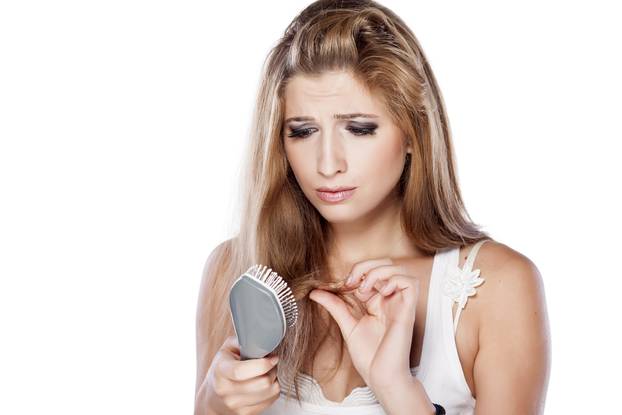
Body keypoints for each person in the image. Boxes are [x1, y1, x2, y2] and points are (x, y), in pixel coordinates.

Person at [194, 1, 551, 414]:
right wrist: (216, 403)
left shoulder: (496, 288)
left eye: (359, 129)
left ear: (414, 132)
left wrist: (397, 389)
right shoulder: (235, 269)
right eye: (303, 131)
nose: (328, 164)